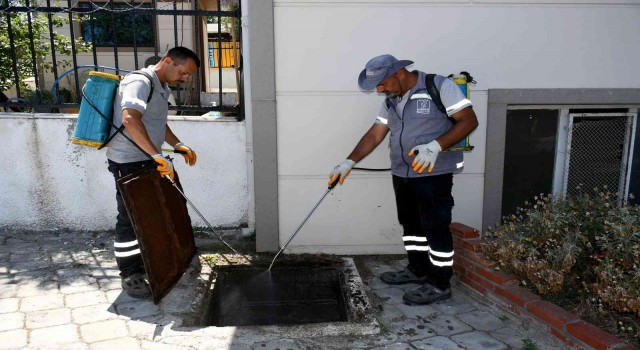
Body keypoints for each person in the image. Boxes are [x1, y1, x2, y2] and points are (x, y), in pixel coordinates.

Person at [329, 54, 478, 305]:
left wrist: (436, 146)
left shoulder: (438, 86)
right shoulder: (390, 100)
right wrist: (349, 161)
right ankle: (417, 269)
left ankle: (440, 283)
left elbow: (469, 120)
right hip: (402, 173)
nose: (379, 89)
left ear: (399, 73)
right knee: (411, 226)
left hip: (433, 174)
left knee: (435, 227)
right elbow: (375, 134)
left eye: (382, 83)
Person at [106, 47, 201, 298]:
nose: (185, 78)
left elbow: (157, 122)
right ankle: (130, 275)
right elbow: (130, 119)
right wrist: (157, 155)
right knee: (129, 218)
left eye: (188, 75)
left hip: (146, 159)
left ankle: (155, 262)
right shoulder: (139, 82)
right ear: (168, 61)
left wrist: (178, 145)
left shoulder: (161, 86)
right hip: (128, 162)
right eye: (183, 72)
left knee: (154, 212)